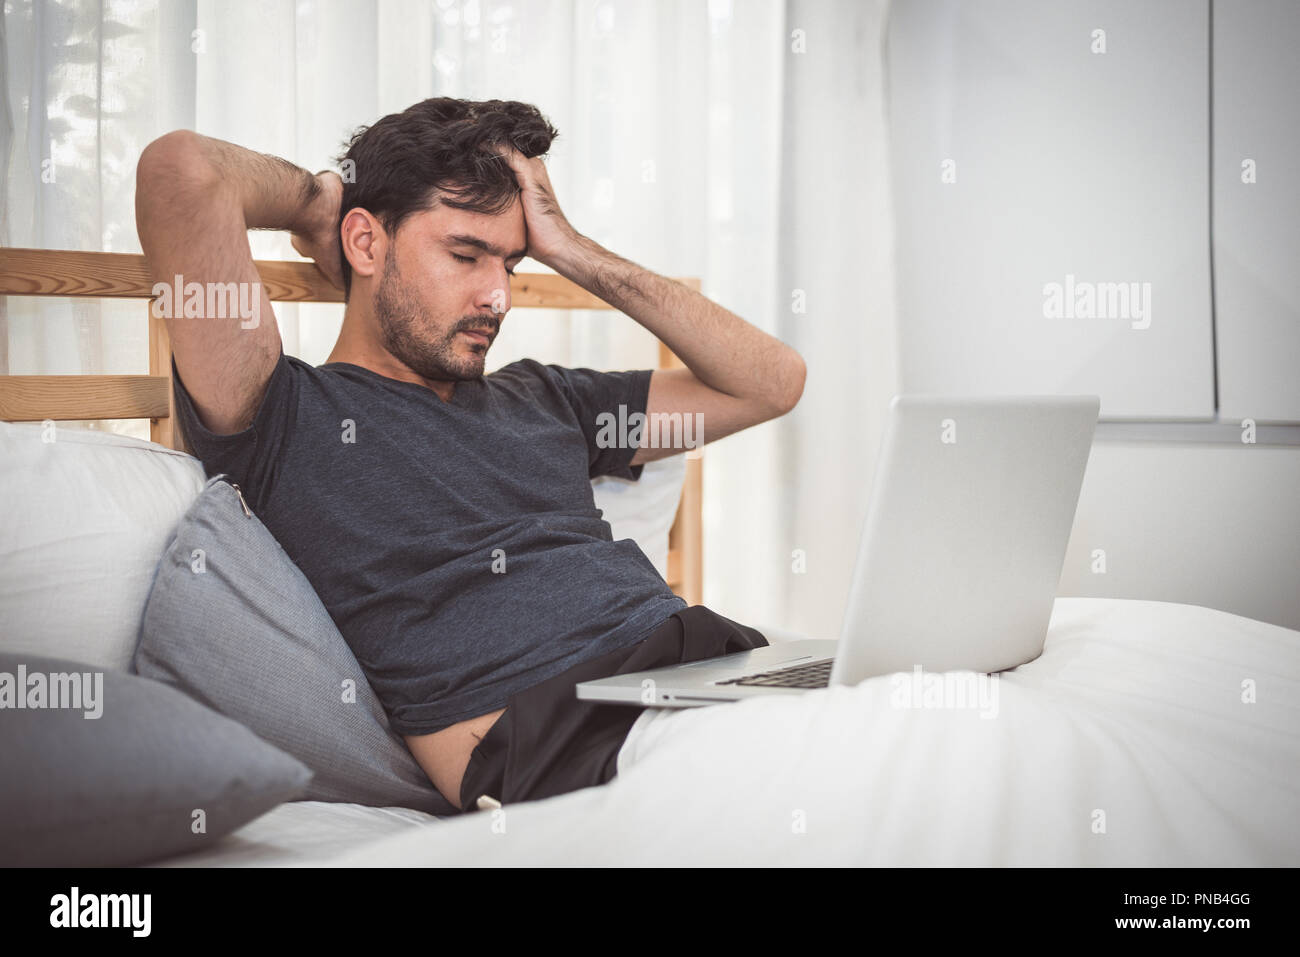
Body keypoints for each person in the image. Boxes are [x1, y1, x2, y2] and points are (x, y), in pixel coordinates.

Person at [135, 97, 804, 813]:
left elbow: (772, 383)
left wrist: (571, 248)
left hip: (720, 669)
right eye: (465, 254)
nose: (498, 295)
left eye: (512, 262)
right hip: (579, 741)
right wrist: (314, 200)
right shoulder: (285, 415)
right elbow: (181, 172)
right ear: (365, 244)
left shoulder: (548, 398)